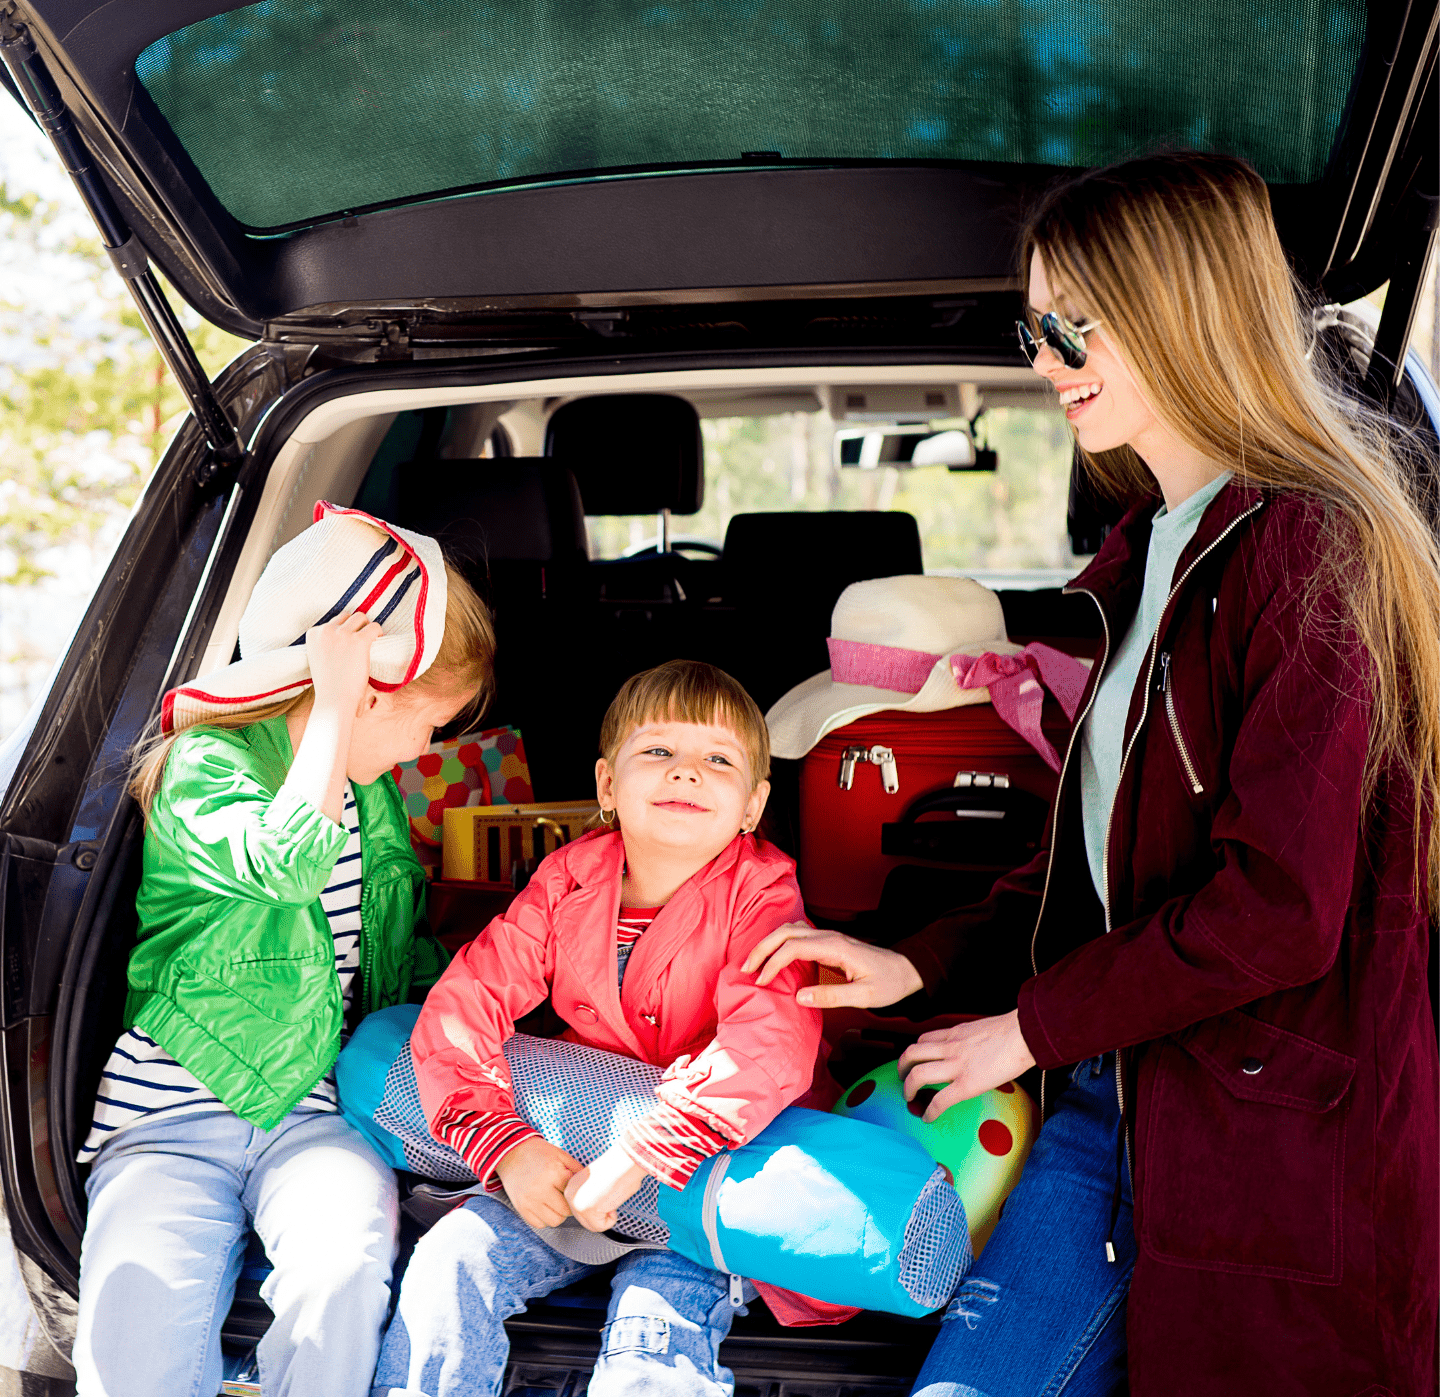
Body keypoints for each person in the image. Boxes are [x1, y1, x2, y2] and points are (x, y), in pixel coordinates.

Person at [743, 151, 1440, 1397]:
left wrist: (1024, 1029)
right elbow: (1101, 872)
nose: (1045, 359)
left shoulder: (1311, 545)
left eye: (1074, 324)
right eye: (1035, 327)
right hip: (1103, 1099)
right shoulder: (1149, 549)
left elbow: (1277, 911)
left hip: (1257, 1141)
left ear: (1185, 309)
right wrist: (923, 966)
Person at [72, 505, 495, 1397]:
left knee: (343, 1276)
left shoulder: (372, 797)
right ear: (368, 693)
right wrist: (332, 706)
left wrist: (501, 990)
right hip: (168, 1122)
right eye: (431, 723)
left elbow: (392, 954)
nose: (429, 748)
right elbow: (285, 866)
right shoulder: (204, 767)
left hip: (314, 1114)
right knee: (134, 1342)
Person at [372, 659, 822, 1397]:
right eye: (658, 751)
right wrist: (505, 1145)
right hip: (568, 1162)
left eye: (718, 760)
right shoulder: (567, 880)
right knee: (449, 1262)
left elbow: (767, 1045)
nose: (685, 772)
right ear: (608, 785)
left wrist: (648, 1150)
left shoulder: (763, 895)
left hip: (695, 1182)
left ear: (753, 804)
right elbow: (466, 1003)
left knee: (654, 1334)